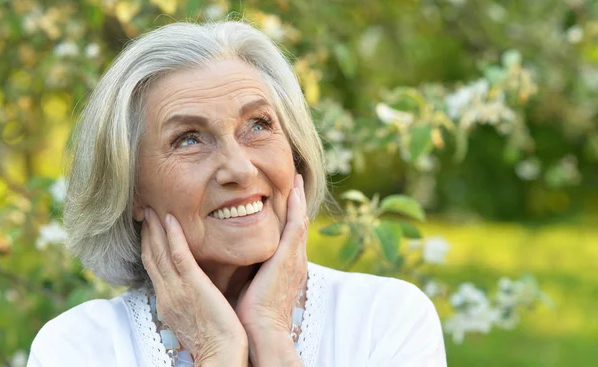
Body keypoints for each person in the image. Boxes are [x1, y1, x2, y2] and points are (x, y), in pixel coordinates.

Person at [28, 21, 446, 367]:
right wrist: (218, 352)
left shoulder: (387, 318)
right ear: (131, 190)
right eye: (189, 139)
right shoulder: (77, 348)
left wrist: (271, 335)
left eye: (259, 125)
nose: (241, 169)